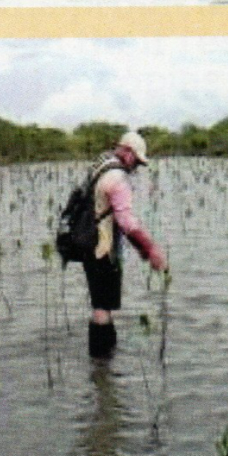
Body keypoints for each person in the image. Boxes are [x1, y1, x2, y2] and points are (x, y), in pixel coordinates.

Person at [84, 131, 168, 359]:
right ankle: (102, 366)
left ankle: (101, 373)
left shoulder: (101, 162)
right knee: (102, 307)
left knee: (100, 304)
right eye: (137, 162)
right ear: (128, 153)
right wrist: (150, 250)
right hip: (103, 246)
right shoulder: (118, 178)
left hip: (88, 242)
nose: (136, 168)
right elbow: (126, 222)